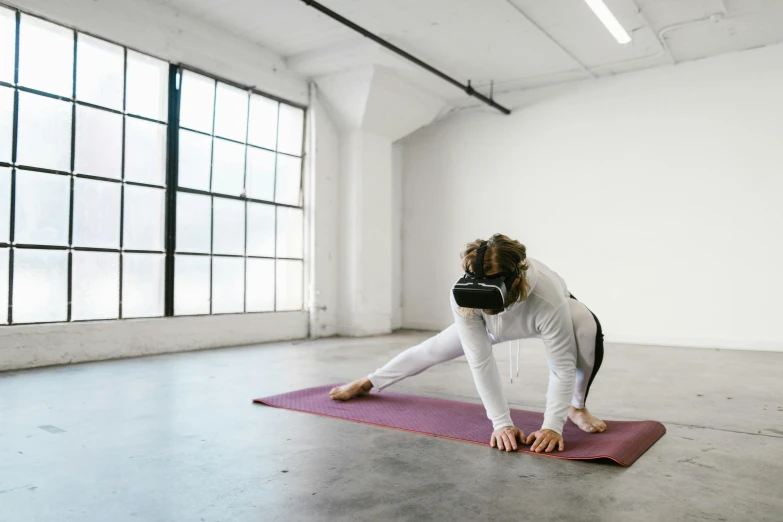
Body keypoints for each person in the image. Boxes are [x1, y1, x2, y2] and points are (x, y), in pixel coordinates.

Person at [330, 234, 606, 454]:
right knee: (433, 349)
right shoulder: (462, 294)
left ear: (517, 281)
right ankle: (369, 381)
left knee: (585, 323)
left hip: (544, 315)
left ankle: (577, 407)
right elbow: (481, 361)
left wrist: (552, 427)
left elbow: (561, 367)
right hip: (491, 326)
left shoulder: (547, 296)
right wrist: (502, 424)